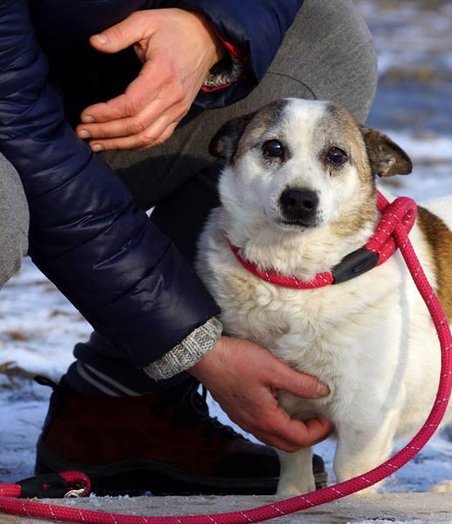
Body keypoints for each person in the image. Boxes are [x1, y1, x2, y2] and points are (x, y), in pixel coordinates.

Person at [0, 0, 378, 495]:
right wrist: (196, 345)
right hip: (18, 132)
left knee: (324, 39)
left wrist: (211, 31)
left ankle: (120, 404)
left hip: (81, 111)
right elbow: (21, 132)